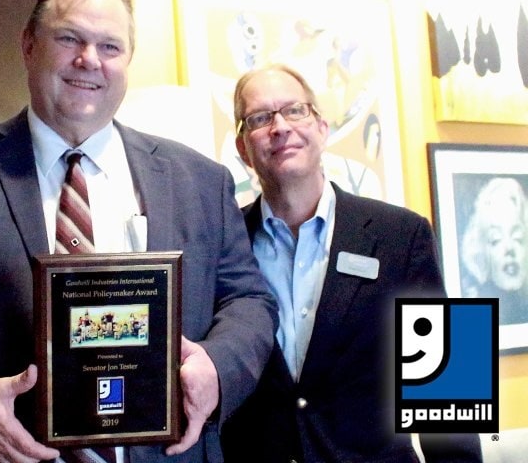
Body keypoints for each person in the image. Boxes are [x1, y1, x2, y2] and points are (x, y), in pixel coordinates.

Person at [0, 0, 277, 463]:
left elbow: (249, 301)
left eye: (110, 46)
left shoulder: (201, 180)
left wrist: (216, 367)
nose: (89, 60)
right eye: (69, 38)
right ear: (28, 45)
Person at [221, 64, 482, 462]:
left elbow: (448, 395)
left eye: (294, 110)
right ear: (243, 148)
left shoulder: (405, 234)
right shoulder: (225, 242)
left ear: (322, 128)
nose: (280, 127)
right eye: (260, 118)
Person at [460, 177, 528, 324]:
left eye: (518, 238)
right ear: (480, 252)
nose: (509, 249)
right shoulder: (470, 316)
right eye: (496, 240)